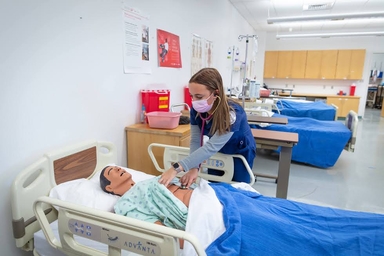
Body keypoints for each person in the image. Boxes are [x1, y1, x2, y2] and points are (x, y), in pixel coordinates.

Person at [158, 67, 256, 188]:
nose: (194, 101)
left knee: (238, 189)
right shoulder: (197, 110)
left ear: (216, 93)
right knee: (214, 187)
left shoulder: (232, 113)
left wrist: (175, 169)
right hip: (218, 151)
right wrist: (194, 168)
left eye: (199, 97)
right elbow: (195, 140)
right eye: (191, 96)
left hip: (239, 152)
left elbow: (211, 146)